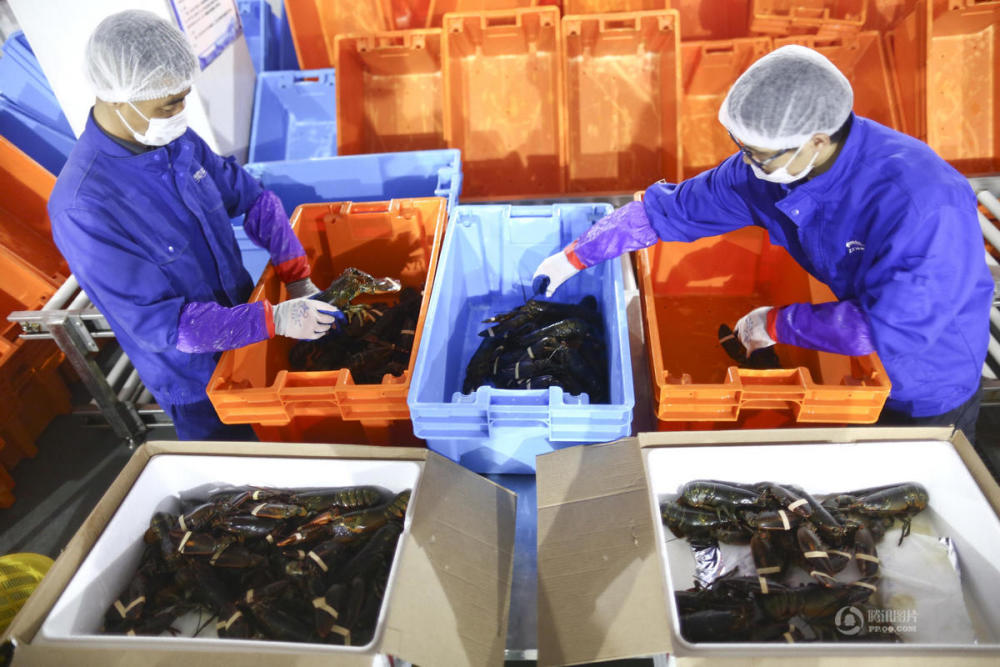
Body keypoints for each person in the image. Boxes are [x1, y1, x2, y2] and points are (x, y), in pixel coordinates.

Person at [533, 45, 992, 444]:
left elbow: (891, 327)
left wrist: (775, 323)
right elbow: (668, 211)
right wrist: (575, 256)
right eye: (742, 147)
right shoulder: (772, 169)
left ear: (817, 140)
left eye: (759, 154)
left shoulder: (923, 202)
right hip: (851, 376)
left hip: (926, 381)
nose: (747, 163)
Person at [48, 10, 342, 440]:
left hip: (250, 338)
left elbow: (254, 199)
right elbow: (166, 326)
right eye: (169, 104)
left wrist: (296, 277)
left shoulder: (175, 140)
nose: (181, 112)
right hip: (197, 383)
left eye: (184, 97)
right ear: (117, 98)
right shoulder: (84, 209)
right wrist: (273, 319)